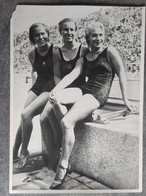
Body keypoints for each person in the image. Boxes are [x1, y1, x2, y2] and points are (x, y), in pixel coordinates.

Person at [48, 22, 137, 189]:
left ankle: (64, 164)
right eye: (94, 35)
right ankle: (76, 125)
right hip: (85, 90)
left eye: (100, 35)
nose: (98, 38)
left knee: (67, 122)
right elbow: (72, 76)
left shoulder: (109, 51)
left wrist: (126, 100)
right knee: (56, 98)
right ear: (87, 38)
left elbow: (121, 73)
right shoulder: (83, 58)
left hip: (98, 93)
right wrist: (55, 89)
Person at [40, 18, 89, 170]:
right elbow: (56, 75)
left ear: (76, 31)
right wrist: (59, 89)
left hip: (78, 91)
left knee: (54, 116)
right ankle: (54, 153)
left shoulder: (84, 49)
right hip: (61, 89)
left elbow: (87, 74)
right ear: (60, 32)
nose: (69, 33)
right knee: (42, 119)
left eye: (71, 29)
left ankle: (60, 148)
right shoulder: (57, 51)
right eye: (65, 30)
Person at [13, 23, 55, 169]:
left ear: (48, 34)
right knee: (23, 118)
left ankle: (24, 152)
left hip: (51, 86)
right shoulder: (32, 54)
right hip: (38, 85)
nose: (41, 37)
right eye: (37, 35)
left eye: (43, 33)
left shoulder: (55, 50)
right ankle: (14, 150)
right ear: (32, 38)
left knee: (26, 114)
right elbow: (34, 71)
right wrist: (32, 88)